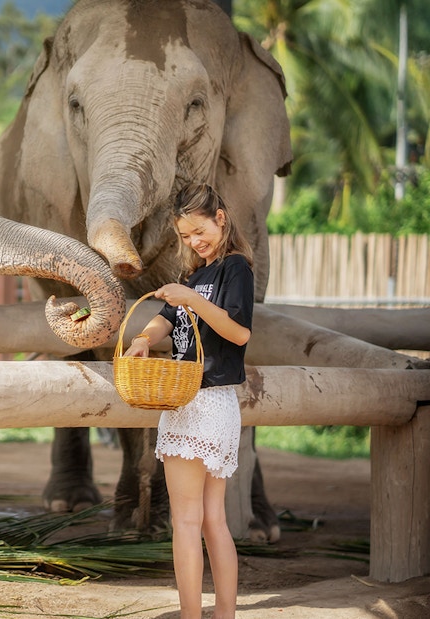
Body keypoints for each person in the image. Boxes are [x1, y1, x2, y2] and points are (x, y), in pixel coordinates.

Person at [124, 182, 254, 619]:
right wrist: (143, 339)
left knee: (188, 522)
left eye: (200, 231)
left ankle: (193, 617)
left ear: (220, 219)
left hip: (208, 402)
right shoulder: (193, 277)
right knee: (210, 519)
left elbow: (239, 333)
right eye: (185, 236)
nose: (194, 242)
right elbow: (165, 320)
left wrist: (192, 300)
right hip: (186, 400)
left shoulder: (235, 269)